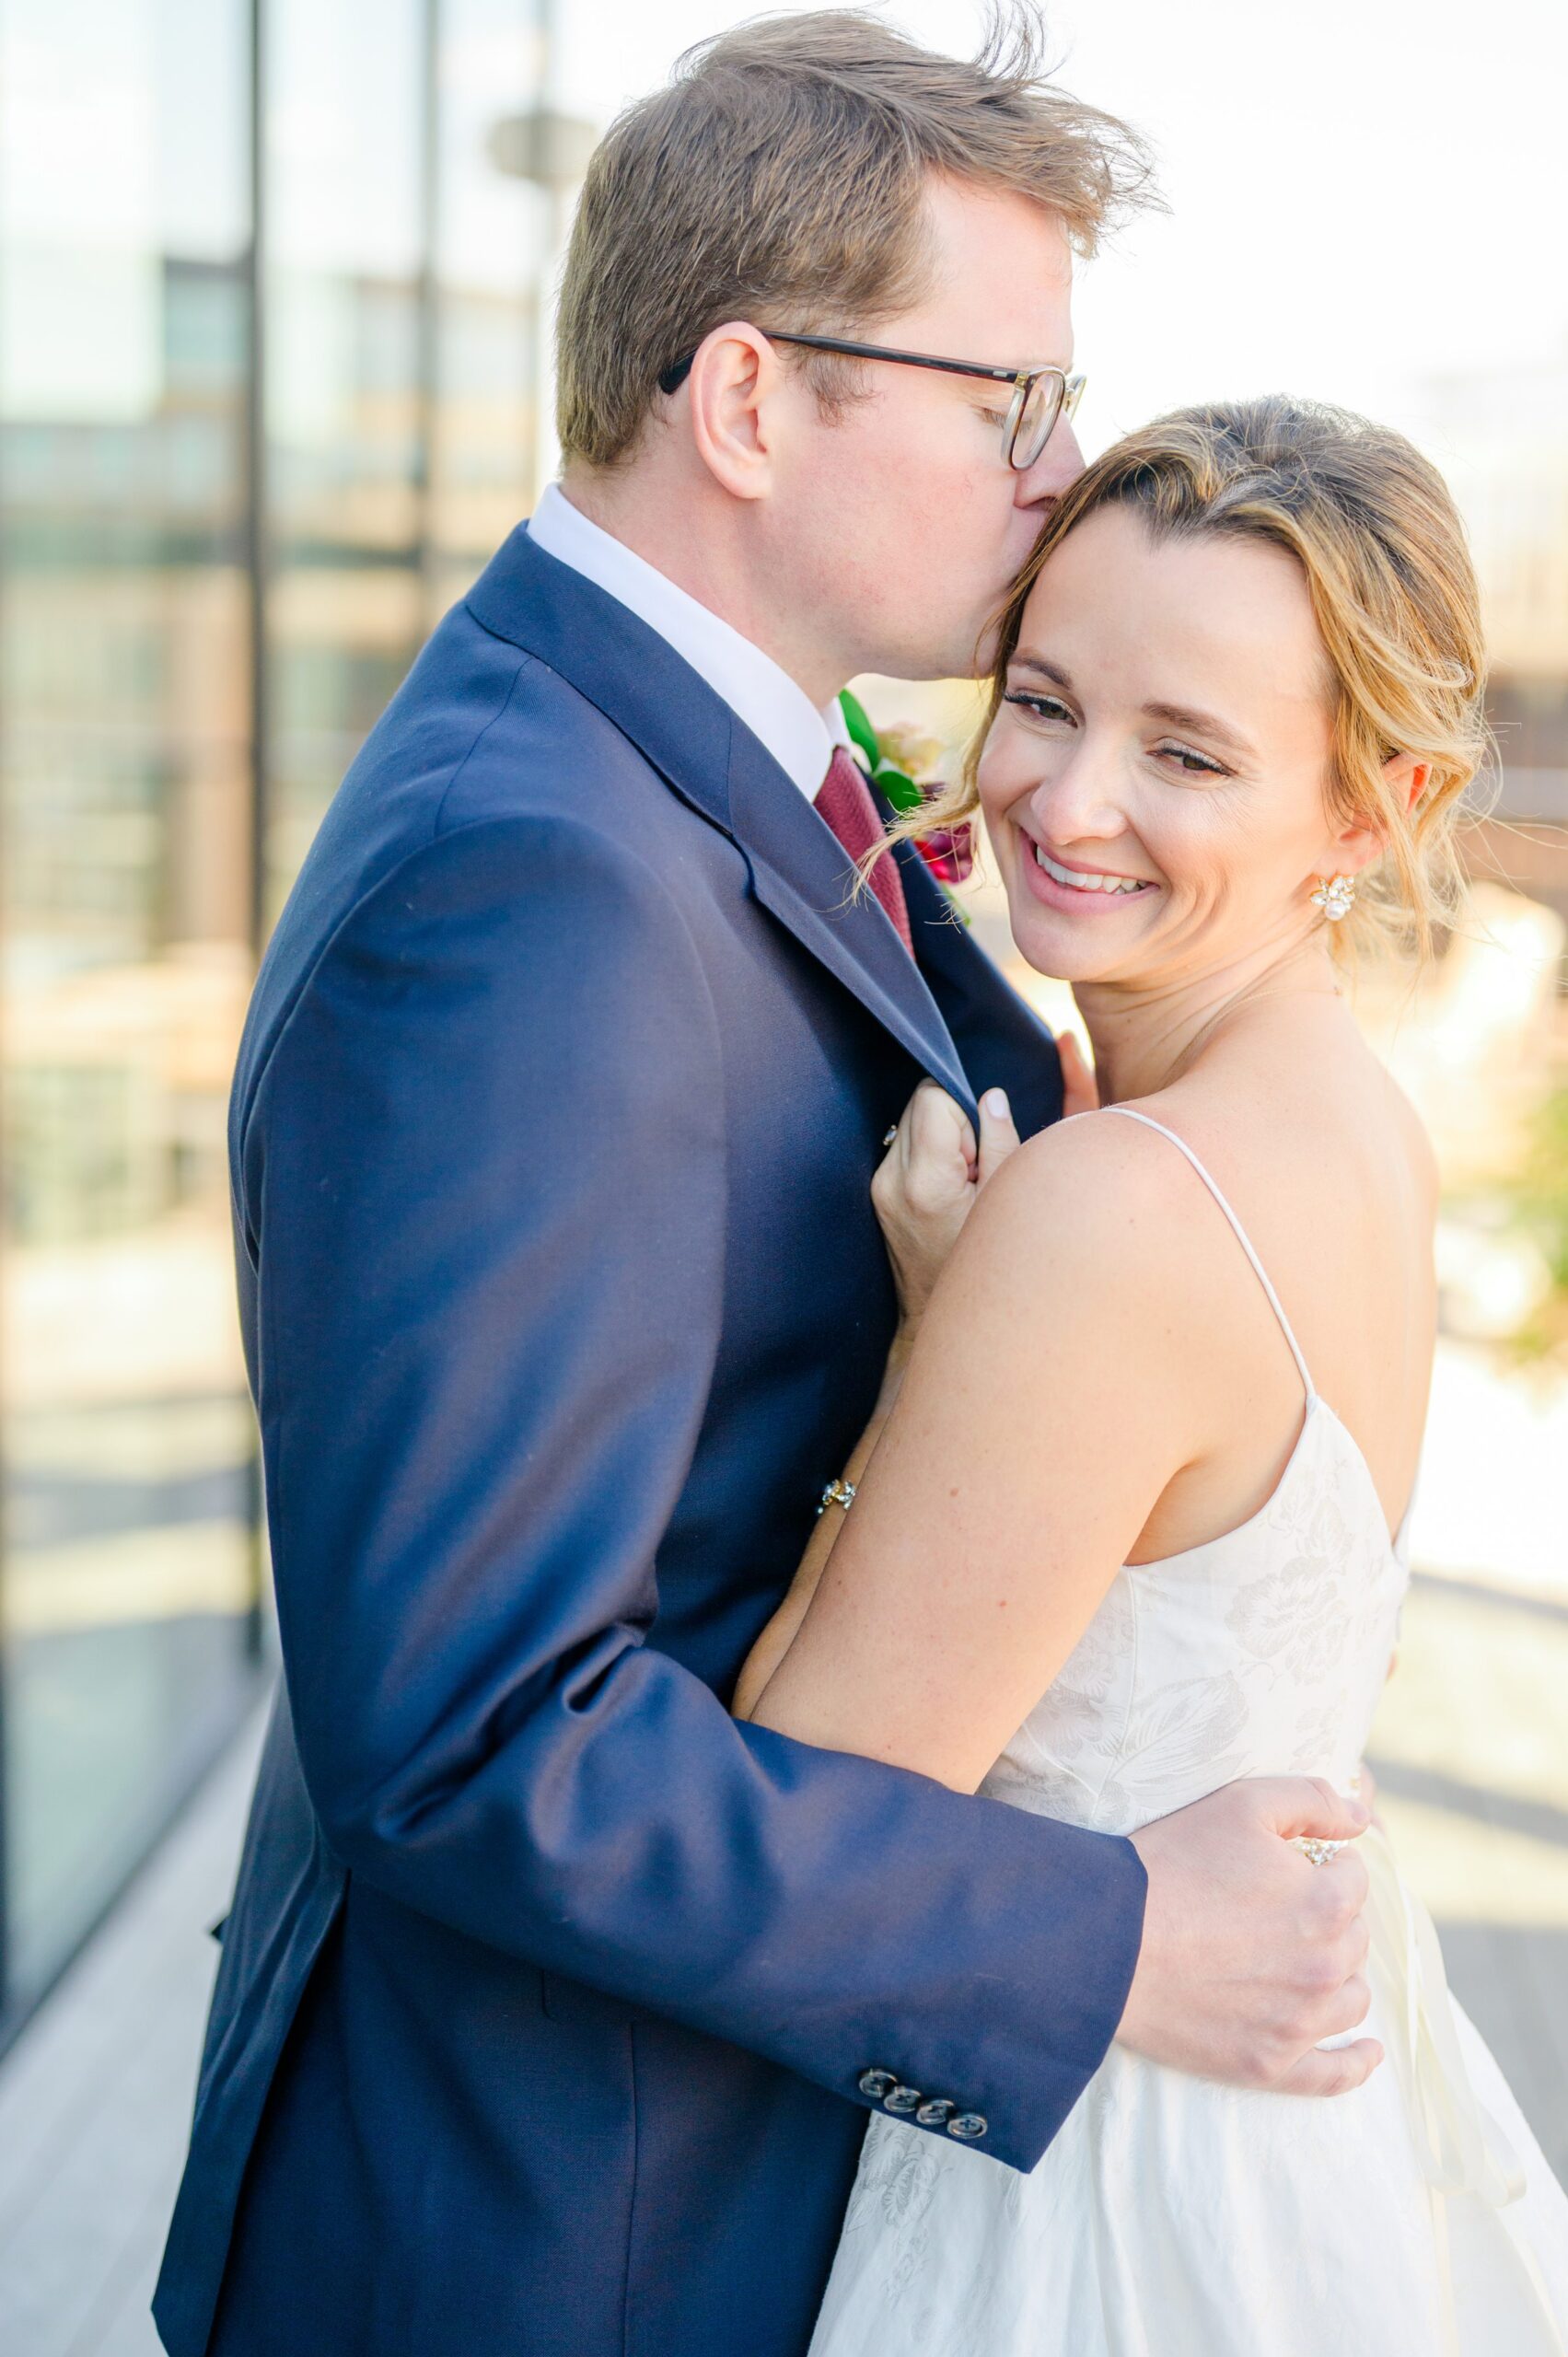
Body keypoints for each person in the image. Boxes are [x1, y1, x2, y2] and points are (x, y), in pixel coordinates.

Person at [154, 19, 1374, 2357]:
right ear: (747, 401)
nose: (1059, 474)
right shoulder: (530, 878)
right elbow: (481, 1738)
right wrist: (1110, 1931)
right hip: (548, 2237)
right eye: (1008, 399)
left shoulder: (721, 760)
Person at [736, 396, 1568, 2354]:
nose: (1067, 796)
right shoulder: (1352, 1118)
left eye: (1186, 751)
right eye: (1044, 698)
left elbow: (808, 1799)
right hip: (1289, 2148)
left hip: (1100, 2189)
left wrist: (938, 1337)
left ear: (1375, 806)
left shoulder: (1111, 1207)